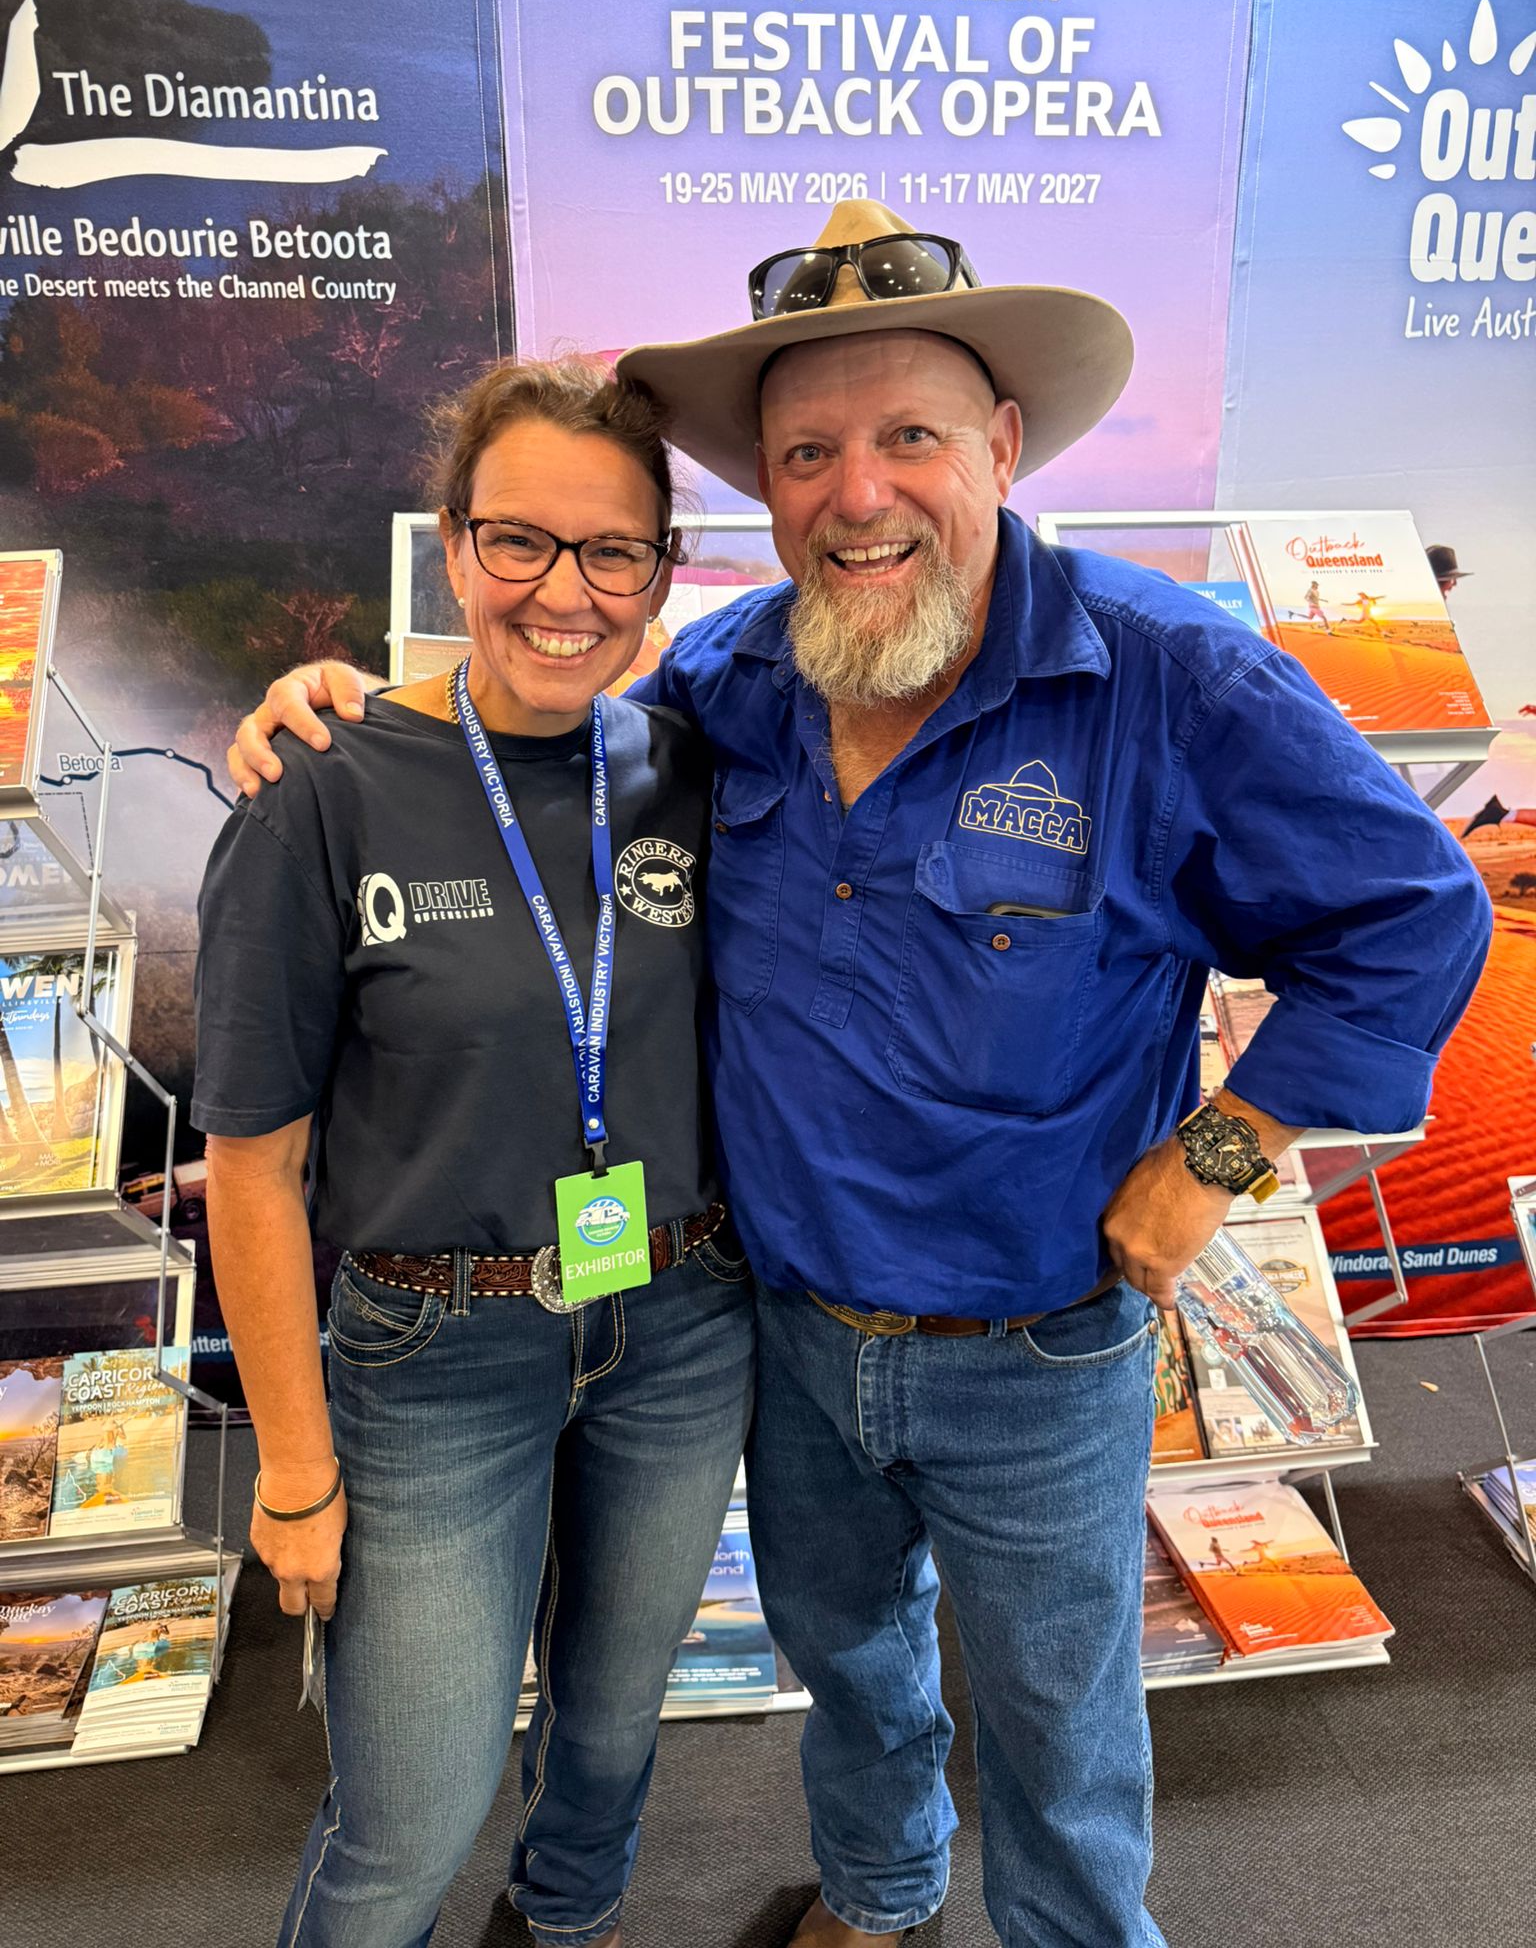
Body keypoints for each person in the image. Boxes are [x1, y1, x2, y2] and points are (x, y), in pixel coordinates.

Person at [231, 201, 1491, 1948]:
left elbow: (1419, 915)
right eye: (807, 452)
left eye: (909, 437)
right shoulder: (731, 679)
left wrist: (1217, 1155)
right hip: (788, 1332)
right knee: (853, 1664)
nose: (858, 492)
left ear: (1003, 446)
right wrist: (348, 712)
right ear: (763, 488)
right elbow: (529, 720)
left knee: (1057, 1729)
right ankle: (882, 1904)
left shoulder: (1167, 679)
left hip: (1037, 1343)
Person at [197, 355, 753, 1948]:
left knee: (611, 1726)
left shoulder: (694, 769)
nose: (565, 594)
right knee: (411, 1816)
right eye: (520, 541)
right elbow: (251, 1166)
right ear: (454, 546)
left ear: (662, 572)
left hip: (679, 1326)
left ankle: (566, 1925)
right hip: (433, 1351)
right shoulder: (321, 787)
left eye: (614, 553)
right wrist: (294, 1468)